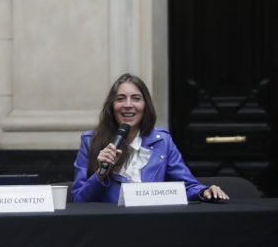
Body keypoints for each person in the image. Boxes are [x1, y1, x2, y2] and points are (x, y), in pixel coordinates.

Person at [72, 73, 228, 202]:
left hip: (152, 224)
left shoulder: (163, 141)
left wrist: (205, 191)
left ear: (145, 106)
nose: (128, 104)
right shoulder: (90, 141)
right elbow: (79, 199)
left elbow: (186, 186)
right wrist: (101, 173)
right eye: (120, 99)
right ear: (111, 107)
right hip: (109, 226)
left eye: (136, 98)